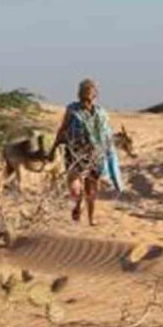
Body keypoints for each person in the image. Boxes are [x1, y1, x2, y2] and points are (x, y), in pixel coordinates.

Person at [49, 78, 116, 226]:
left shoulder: (100, 112)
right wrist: (54, 146)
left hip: (95, 154)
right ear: (79, 95)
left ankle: (91, 219)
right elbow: (63, 128)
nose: (86, 98)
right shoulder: (72, 109)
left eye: (89, 94)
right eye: (83, 94)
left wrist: (109, 152)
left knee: (91, 189)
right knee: (75, 188)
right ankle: (78, 205)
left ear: (95, 95)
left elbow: (106, 133)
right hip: (75, 152)